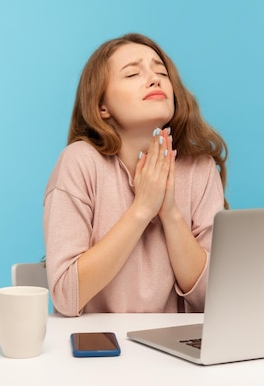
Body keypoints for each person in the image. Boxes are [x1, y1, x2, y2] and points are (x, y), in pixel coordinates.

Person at [43, 33, 228, 317]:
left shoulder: (198, 170)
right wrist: (142, 208)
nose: (154, 79)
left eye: (161, 72)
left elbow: (213, 300)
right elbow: (67, 297)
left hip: (175, 353)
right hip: (100, 349)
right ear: (101, 106)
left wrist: (169, 213)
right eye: (132, 74)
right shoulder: (79, 162)